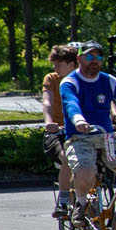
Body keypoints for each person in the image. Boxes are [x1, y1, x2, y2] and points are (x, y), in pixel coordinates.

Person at [59, 41, 116, 210]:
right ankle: (81, 204)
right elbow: (71, 103)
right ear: (79, 58)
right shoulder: (70, 82)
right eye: (90, 56)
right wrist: (79, 120)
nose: (95, 60)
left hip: (106, 138)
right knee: (85, 171)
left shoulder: (108, 81)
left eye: (99, 57)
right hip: (80, 138)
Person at [41, 43, 79, 217]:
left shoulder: (83, 78)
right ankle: (63, 200)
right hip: (58, 131)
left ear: (72, 64)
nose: (55, 68)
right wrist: (49, 122)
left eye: (59, 64)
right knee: (66, 158)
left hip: (81, 131)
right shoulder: (52, 79)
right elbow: (47, 102)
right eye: (54, 64)